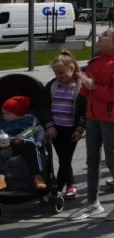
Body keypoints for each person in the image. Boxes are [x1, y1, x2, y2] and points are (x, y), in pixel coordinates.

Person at [71, 28, 114, 221]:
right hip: (94, 115)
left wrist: (93, 87)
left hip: (111, 117)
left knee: (112, 158)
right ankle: (93, 203)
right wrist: (84, 85)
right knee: (92, 159)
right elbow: (88, 92)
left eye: (106, 35)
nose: (100, 36)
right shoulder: (97, 61)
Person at [45, 52, 87, 199]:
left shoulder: (81, 86)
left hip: (71, 129)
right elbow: (44, 106)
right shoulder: (52, 85)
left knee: (65, 159)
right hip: (56, 128)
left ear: (72, 68)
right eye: (56, 73)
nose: (59, 76)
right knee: (63, 158)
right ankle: (71, 185)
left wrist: (80, 128)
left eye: (62, 72)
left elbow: (86, 110)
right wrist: (49, 125)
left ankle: (57, 187)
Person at [0, 96, 47, 191]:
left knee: (33, 151)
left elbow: (39, 131)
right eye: (3, 113)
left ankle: (38, 177)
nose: (4, 116)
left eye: (7, 113)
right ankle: (1, 178)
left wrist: (39, 141)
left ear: (18, 114)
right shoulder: (3, 122)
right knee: (1, 155)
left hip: (26, 143)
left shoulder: (30, 121)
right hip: (9, 145)